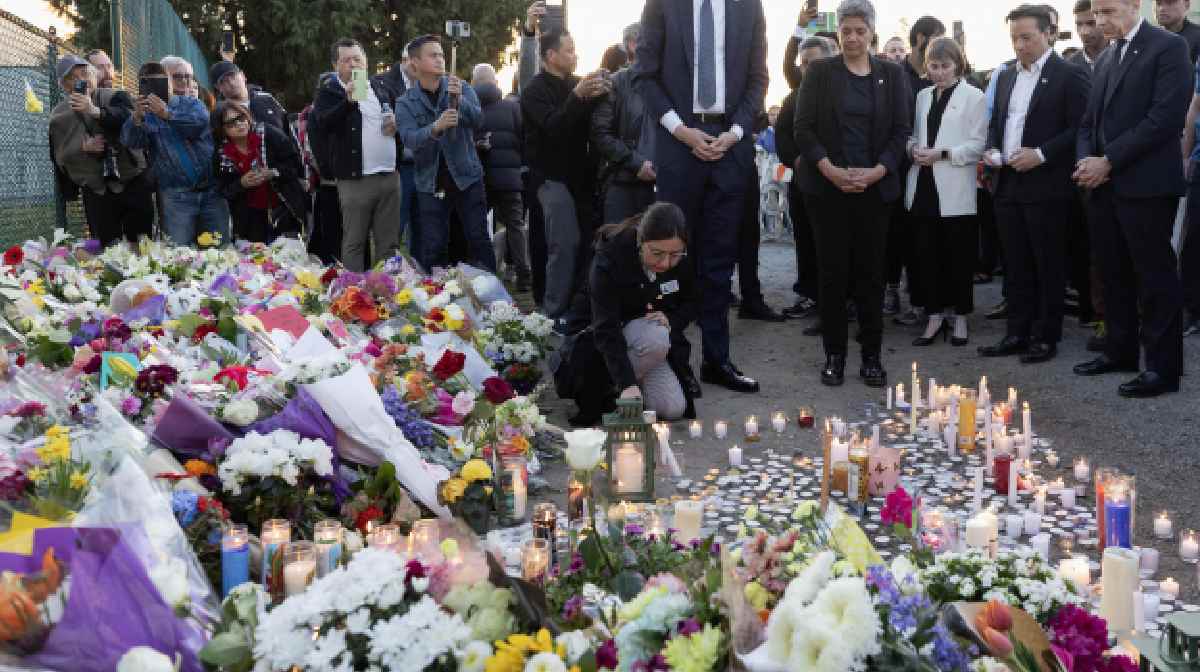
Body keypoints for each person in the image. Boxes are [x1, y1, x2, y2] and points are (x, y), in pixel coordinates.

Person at [635, 0, 769, 394]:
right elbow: (646, 76)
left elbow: (758, 78)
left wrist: (737, 132)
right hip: (679, 147)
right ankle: (676, 360)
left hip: (730, 147)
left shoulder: (748, 6)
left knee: (719, 262)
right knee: (674, 262)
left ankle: (716, 359)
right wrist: (681, 131)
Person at [1074, 0, 1191, 397]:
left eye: (1109, 11)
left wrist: (1108, 160)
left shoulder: (1168, 47)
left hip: (1147, 184)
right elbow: (1089, 122)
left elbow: (1165, 119)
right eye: (1096, 13)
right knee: (1113, 272)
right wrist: (1086, 162)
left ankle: (1163, 369)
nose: (1100, 21)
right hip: (1104, 186)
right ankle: (1119, 351)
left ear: (1133, 5)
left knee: (1154, 277)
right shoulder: (1108, 56)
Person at [793, 0, 911, 388]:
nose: (853, 38)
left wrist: (877, 171)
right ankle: (835, 355)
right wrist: (830, 169)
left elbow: (900, 132)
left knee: (871, 275)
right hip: (827, 190)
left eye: (860, 30)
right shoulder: (820, 73)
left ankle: (872, 356)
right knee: (832, 275)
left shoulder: (892, 75)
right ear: (838, 32)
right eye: (846, 31)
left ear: (871, 32)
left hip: (875, 191)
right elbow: (804, 130)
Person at [979, 5, 1090, 365]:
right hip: (1008, 182)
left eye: (1026, 37)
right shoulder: (1007, 75)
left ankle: (1045, 336)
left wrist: (1042, 154)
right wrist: (993, 148)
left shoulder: (1069, 75)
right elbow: (998, 120)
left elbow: (1081, 129)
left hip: (1047, 185)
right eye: (1014, 38)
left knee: (1047, 262)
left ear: (1050, 34)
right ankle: (1016, 332)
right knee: (1015, 263)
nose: (1020, 45)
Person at [566, 203, 699, 425]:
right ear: (640, 241)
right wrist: (626, 383)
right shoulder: (610, 257)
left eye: (675, 255)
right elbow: (605, 328)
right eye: (656, 254)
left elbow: (694, 298)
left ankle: (634, 385)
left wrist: (673, 319)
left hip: (645, 346)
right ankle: (615, 388)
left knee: (673, 408)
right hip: (600, 343)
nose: (665, 263)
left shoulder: (682, 257)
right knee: (656, 337)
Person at [904, 37, 987, 348]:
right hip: (923, 183)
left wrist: (944, 153)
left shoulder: (973, 96)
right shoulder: (923, 96)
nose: (939, 72)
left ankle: (961, 317)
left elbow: (978, 143)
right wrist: (913, 148)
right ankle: (934, 315)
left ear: (958, 65)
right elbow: (913, 133)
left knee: (959, 256)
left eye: (945, 66)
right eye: (934, 66)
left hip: (955, 184)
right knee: (926, 254)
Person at [522, 29, 611, 318]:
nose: (575, 55)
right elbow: (553, 127)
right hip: (550, 179)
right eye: (569, 50)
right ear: (551, 55)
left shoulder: (577, 84)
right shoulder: (535, 90)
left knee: (586, 243)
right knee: (564, 243)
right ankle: (551, 311)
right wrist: (577, 97)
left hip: (582, 181)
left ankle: (578, 308)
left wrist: (603, 91)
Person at [395, 35, 494, 272]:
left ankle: (493, 294)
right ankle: (437, 299)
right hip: (431, 183)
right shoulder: (405, 102)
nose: (440, 59)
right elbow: (409, 139)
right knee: (434, 245)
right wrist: (436, 128)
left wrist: (459, 100)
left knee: (478, 238)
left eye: (441, 54)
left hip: (467, 177)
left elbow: (479, 120)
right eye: (433, 55)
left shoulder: (459, 86)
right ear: (415, 63)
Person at [311, 38, 404, 271]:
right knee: (355, 241)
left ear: (366, 62)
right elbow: (323, 124)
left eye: (357, 59)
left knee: (389, 243)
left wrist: (396, 123)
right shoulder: (329, 92)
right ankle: (353, 297)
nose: (353, 64)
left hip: (389, 175)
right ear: (336, 66)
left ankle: (387, 293)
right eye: (346, 60)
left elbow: (397, 119)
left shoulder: (382, 88)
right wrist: (348, 102)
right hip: (355, 180)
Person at [122, 59, 229, 246]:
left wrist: (167, 113)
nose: (184, 82)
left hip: (211, 191)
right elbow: (131, 141)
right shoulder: (144, 113)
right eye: (148, 83)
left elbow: (200, 123)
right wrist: (136, 118)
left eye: (161, 81)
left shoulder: (191, 104)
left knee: (219, 249)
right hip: (175, 196)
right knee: (179, 255)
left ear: (168, 83)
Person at [49, 55, 153, 247]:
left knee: (142, 244)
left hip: (131, 180)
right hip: (97, 190)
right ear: (63, 85)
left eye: (85, 72)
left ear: (94, 75)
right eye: (73, 77)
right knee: (107, 250)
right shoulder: (58, 117)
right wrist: (83, 149)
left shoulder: (115, 96)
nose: (82, 79)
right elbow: (59, 157)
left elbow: (127, 119)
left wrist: (94, 110)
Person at [888, 16, 946, 326]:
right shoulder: (896, 75)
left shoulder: (939, 75)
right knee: (898, 238)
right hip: (898, 169)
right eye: (938, 38)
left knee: (927, 242)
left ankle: (928, 302)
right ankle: (896, 292)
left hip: (936, 169)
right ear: (922, 39)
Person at [776, 36, 837, 324]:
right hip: (801, 182)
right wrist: (797, 160)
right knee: (804, 241)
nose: (807, 68)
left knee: (828, 246)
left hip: (831, 182)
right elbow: (783, 136)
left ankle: (833, 306)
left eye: (813, 62)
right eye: (804, 63)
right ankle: (809, 295)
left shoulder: (839, 92)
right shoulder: (793, 95)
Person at [1069, 0, 1112, 350]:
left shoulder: (1124, 56)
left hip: (1122, 167)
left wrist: (1108, 160)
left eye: (1092, 21)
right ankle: (1100, 316)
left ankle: (1124, 320)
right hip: (1083, 172)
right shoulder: (1070, 67)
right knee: (1092, 249)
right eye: (1081, 23)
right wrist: (1085, 161)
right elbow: (1077, 124)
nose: (1087, 30)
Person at [212, 101, 307, 243]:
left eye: (241, 118)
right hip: (249, 219)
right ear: (222, 129)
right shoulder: (221, 155)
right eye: (231, 123)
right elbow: (222, 190)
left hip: (284, 209)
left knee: (290, 257)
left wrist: (273, 172)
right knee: (257, 261)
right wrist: (241, 183)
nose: (239, 124)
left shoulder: (269, 134)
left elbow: (295, 165)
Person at [592, 22, 657, 225]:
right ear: (632, 44)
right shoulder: (615, 83)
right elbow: (600, 133)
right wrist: (636, 163)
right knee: (618, 248)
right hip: (622, 184)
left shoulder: (666, 84)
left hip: (661, 185)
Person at [472, 63, 530, 289]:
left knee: (478, 225)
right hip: (510, 179)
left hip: (481, 178)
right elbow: (523, 140)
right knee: (515, 226)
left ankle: (483, 273)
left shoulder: (470, 109)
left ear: (474, 83)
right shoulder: (512, 108)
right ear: (495, 83)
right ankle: (523, 276)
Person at [208, 61, 292, 141]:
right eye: (224, 81)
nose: (231, 83)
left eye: (233, 76)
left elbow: (288, 128)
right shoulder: (220, 114)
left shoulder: (266, 98)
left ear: (243, 76)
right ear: (218, 88)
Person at [1155, 0, 1200, 66]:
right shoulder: (1150, 39)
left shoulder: (1197, 37)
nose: (1162, 8)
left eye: (1169, 3)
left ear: (1186, 5)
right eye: (1158, 3)